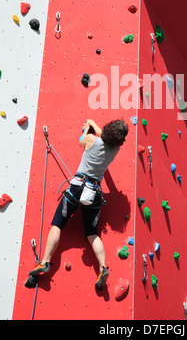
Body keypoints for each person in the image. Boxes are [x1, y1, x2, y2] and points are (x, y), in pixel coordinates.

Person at [28, 118, 128, 290]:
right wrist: (94, 126)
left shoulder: (90, 139)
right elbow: (105, 137)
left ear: (107, 129)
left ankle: (45, 261)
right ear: (120, 139)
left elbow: (81, 141)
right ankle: (103, 267)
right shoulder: (115, 150)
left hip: (77, 188)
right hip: (94, 193)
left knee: (57, 224)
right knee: (92, 234)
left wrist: (87, 127)